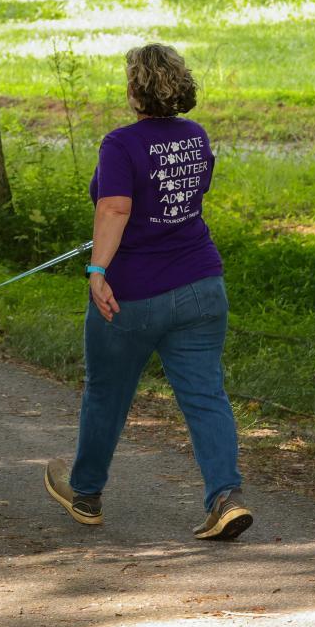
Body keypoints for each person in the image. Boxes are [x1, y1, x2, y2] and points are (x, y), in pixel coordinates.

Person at [45, 43, 253, 540]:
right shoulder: (196, 136)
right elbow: (186, 196)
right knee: (205, 395)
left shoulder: (120, 143)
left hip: (131, 296)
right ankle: (226, 498)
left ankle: (87, 494)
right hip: (202, 288)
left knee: (106, 394)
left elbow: (115, 209)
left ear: (135, 89)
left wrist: (97, 270)